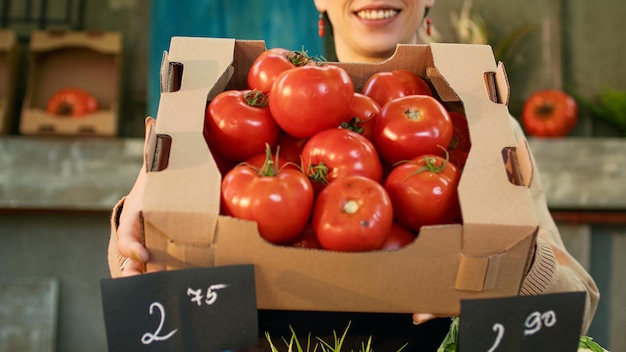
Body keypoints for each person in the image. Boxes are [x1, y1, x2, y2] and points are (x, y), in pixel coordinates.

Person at [108, 0, 599, 350]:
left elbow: (580, 303)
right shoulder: (227, 108)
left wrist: (508, 265)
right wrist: (142, 227)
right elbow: (144, 283)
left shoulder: (485, 127)